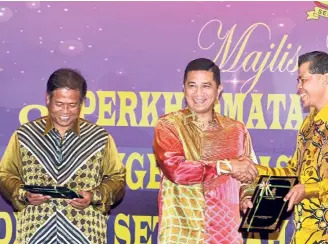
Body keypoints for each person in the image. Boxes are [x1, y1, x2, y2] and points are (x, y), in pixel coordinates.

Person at [241, 51, 328, 244]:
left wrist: (309, 190)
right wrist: (253, 170)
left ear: (324, 79)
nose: (298, 87)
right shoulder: (308, 124)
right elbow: (293, 173)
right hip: (306, 234)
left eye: (303, 80)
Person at [0, 68, 126, 244]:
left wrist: (95, 196)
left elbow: (117, 179)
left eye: (72, 105)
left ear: (81, 103)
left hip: (85, 234)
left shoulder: (99, 138)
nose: (65, 111)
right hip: (36, 234)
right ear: (47, 99)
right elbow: (5, 174)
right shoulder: (25, 135)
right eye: (59, 104)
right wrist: (23, 193)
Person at [153, 58, 259, 244]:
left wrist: (247, 196)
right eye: (192, 86)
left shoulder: (236, 130)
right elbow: (176, 170)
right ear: (184, 89)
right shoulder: (169, 126)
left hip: (226, 233)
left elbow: (250, 174)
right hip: (183, 232)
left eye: (206, 86)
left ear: (218, 90)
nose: (198, 93)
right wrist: (227, 166)